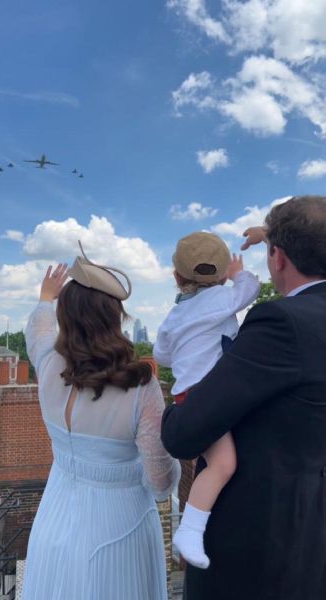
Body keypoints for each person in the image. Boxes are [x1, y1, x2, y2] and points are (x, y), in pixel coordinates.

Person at [161, 196, 326, 600]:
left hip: (260, 552)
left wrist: (167, 412)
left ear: (278, 258)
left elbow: (185, 434)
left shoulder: (281, 324)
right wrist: (274, 236)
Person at [21, 244, 180, 600]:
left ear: (67, 315)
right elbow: (160, 483)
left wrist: (46, 297)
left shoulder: (47, 363)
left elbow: (38, 328)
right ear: (114, 317)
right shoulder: (140, 387)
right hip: (119, 529)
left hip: (53, 521)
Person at [153, 232, 259, 568]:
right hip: (210, 397)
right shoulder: (225, 298)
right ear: (223, 273)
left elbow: (162, 356)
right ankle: (191, 530)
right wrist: (239, 273)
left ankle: (195, 525)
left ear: (176, 276)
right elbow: (251, 289)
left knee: (216, 461)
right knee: (224, 464)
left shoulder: (174, 316)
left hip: (189, 395)